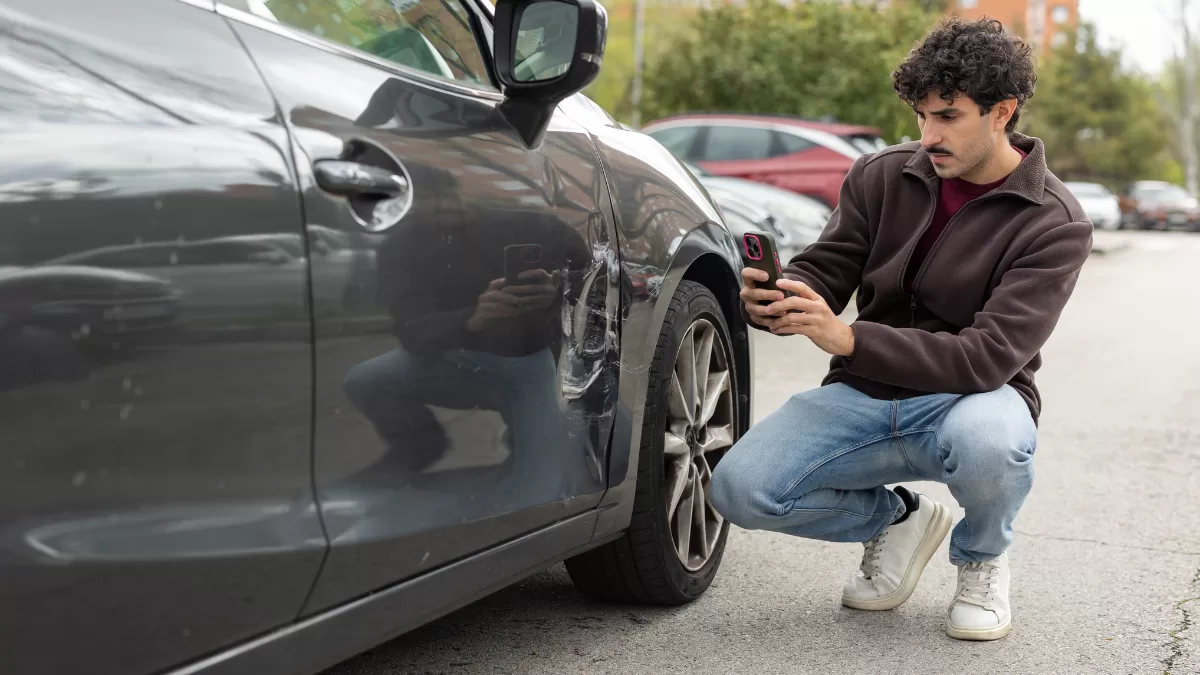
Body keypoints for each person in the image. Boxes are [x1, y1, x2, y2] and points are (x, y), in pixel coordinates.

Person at [709, 17, 1092, 642]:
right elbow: (827, 269)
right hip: (864, 393)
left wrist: (850, 339)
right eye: (921, 115)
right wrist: (780, 296)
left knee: (992, 443)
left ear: (1002, 112)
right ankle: (899, 519)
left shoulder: (1055, 221)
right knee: (739, 490)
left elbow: (986, 358)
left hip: (970, 400)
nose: (929, 135)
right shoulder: (881, 175)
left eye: (948, 116)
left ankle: (981, 559)